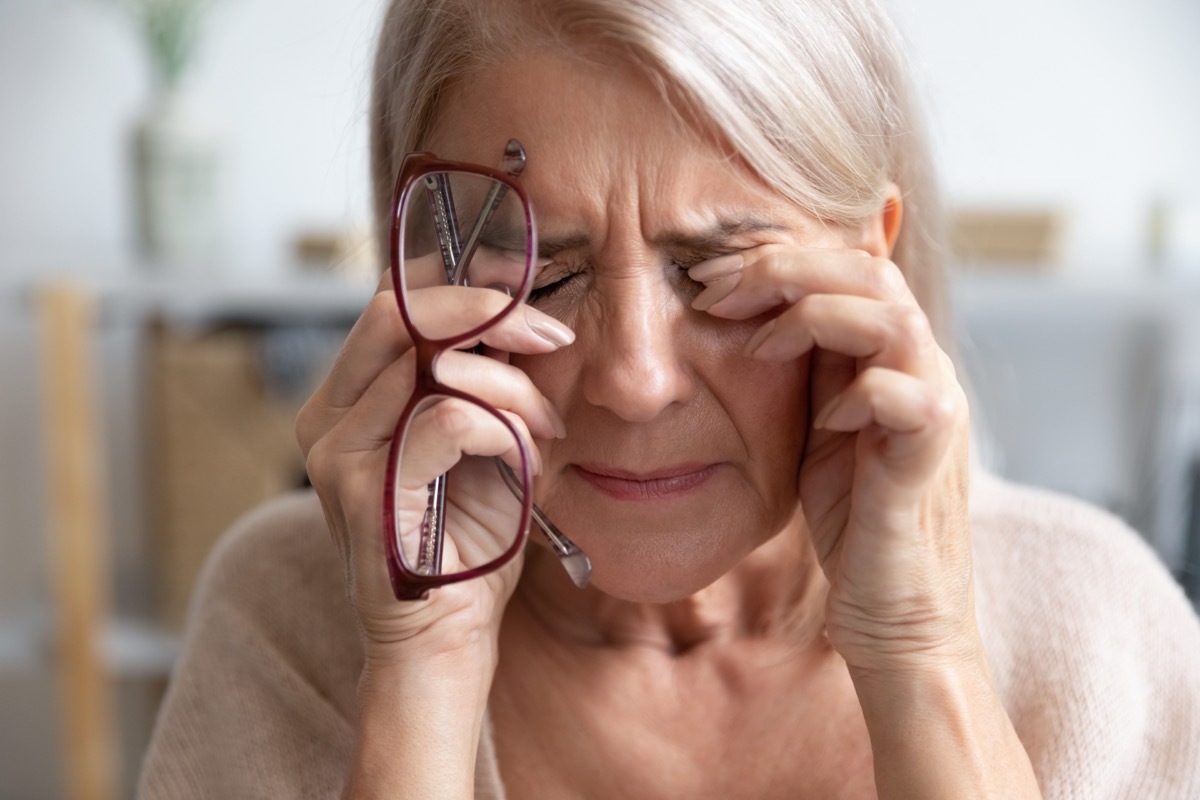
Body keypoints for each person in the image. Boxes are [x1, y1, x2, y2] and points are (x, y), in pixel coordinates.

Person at [139, 0, 1200, 797]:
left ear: (873, 264)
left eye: (718, 272)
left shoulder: (1095, 629)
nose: (636, 381)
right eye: (543, 274)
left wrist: (923, 649)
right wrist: (420, 671)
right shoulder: (287, 618)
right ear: (419, 276)